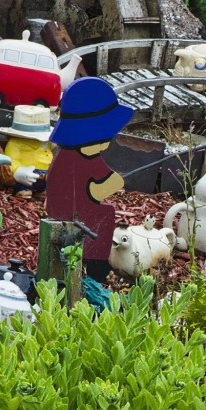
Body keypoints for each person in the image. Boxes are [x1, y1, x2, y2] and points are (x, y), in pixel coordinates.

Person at [45, 77, 134, 282]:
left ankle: (93, 267)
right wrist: (116, 182)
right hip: (75, 219)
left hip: (72, 214)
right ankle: (93, 268)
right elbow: (96, 190)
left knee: (105, 212)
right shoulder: (78, 160)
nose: (107, 143)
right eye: (105, 137)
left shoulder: (75, 157)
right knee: (102, 217)